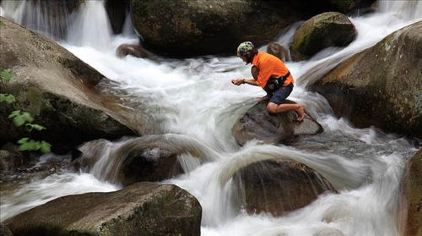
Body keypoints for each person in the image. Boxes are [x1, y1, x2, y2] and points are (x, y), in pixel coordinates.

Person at [231, 41, 305, 121]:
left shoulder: (264, 61)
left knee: (271, 108)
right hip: (278, 82)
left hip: (286, 85)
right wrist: (243, 80)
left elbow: (259, 82)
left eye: (242, 57)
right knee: (255, 70)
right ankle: (270, 95)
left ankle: (297, 107)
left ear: (247, 55)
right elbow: (261, 79)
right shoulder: (258, 57)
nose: (242, 60)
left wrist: (243, 81)